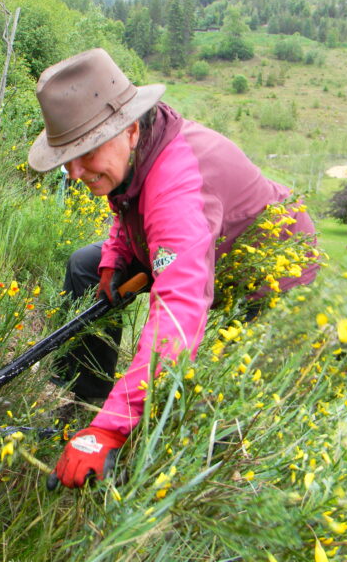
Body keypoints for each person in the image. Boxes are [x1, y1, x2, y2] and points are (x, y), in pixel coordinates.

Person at [27, 48, 319, 490]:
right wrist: (114, 258)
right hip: (202, 248)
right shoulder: (139, 147)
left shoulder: (179, 180)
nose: (73, 171)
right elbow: (129, 204)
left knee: (224, 380)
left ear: (128, 129)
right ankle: (87, 400)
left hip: (267, 268)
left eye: (85, 152)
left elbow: (179, 307)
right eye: (68, 156)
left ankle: (196, 475)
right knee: (87, 267)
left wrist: (114, 427)